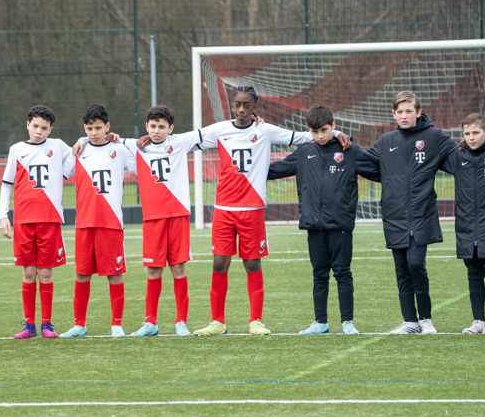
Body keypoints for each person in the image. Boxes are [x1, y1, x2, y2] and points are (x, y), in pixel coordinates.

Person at [193, 85, 350, 336]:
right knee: (220, 262)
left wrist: (337, 131)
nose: (241, 109)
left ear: (255, 108)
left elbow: (302, 136)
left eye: (247, 105)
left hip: (252, 210)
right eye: (237, 105)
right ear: (231, 107)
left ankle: (255, 320)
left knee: (252, 264)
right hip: (223, 208)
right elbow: (183, 140)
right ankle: (217, 322)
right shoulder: (219, 130)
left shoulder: (264, 130)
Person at [267, 104, 380, 335]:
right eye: (315, 131)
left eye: (325, 130)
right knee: (319, 274)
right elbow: (273, 170)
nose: (320, 136)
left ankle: (348, 322)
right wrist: (245, 165)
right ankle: (320, 322)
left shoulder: (349, 151)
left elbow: (379, 171)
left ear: (334, 126)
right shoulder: (304, 152)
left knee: (343, 273)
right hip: (313, 226)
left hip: (340, 226)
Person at [361, 91, 459, 334]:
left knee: (415, 263)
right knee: (402, 269)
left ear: (418, 112)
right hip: (394, 215)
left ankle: (426, 319)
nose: (404, 116)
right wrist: (336, 141)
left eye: (408, 111)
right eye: (399, 112)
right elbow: (363, 162)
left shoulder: (434, 137)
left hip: (422, 214)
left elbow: (461, 157)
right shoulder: (386, 141)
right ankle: (410, 322)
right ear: (393, 114)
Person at [118, 105, 198, 337]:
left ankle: (181, 322)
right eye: (152, 126)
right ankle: (150, 322)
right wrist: (83, 139)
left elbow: (214, 132)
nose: (156, 131)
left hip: (177, 215)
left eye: (162, 127)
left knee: (178, 267)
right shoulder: (137, 146)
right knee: (153, 270)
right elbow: (105, 137)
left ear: (170, 128)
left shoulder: (180, 143)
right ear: (146, 127)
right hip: (153, 218)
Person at [60, 104, 136, 338]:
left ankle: (116, 325)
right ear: (84, 128)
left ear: (108, 127)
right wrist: (80, 140)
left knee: (114, 274)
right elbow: (62, 172)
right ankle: (79, 325)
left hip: (111, 221)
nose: (94, 132)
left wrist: (121, 140)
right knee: (82, 274)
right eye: (89, 128)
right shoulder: (78, 151)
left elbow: (138, 165)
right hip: (84, 221)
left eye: (98, 128)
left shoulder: (119, 150)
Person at [0, 106, 75, 339]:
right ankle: (29, 325)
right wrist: (4, 215)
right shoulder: (17, 150)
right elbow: (6, 184)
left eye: (44, 128)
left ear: (50, 129)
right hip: (23, 220)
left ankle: (47, 324)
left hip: (49, 219)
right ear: (27, 125)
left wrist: (62, 174)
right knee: (28, 272)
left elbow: (76, 155)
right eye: (35, 126)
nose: (39, 131)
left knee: (46, 273)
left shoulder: (58, 146)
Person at [439, 113, 485, 334]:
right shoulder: (457, 156)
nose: (471, 138)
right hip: (467, 228)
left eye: (476, 133)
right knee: (474, 276)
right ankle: (477, 320)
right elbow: (434, 150)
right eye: (466, 134)